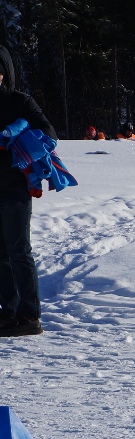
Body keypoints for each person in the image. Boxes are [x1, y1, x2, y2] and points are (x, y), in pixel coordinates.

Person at [0, 46, 56, 336]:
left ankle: (30, 317)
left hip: (14, 189)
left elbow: (49, 134)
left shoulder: (20, 102)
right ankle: (7, 312)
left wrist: (17, 132)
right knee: (1, 255)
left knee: (18, 251)